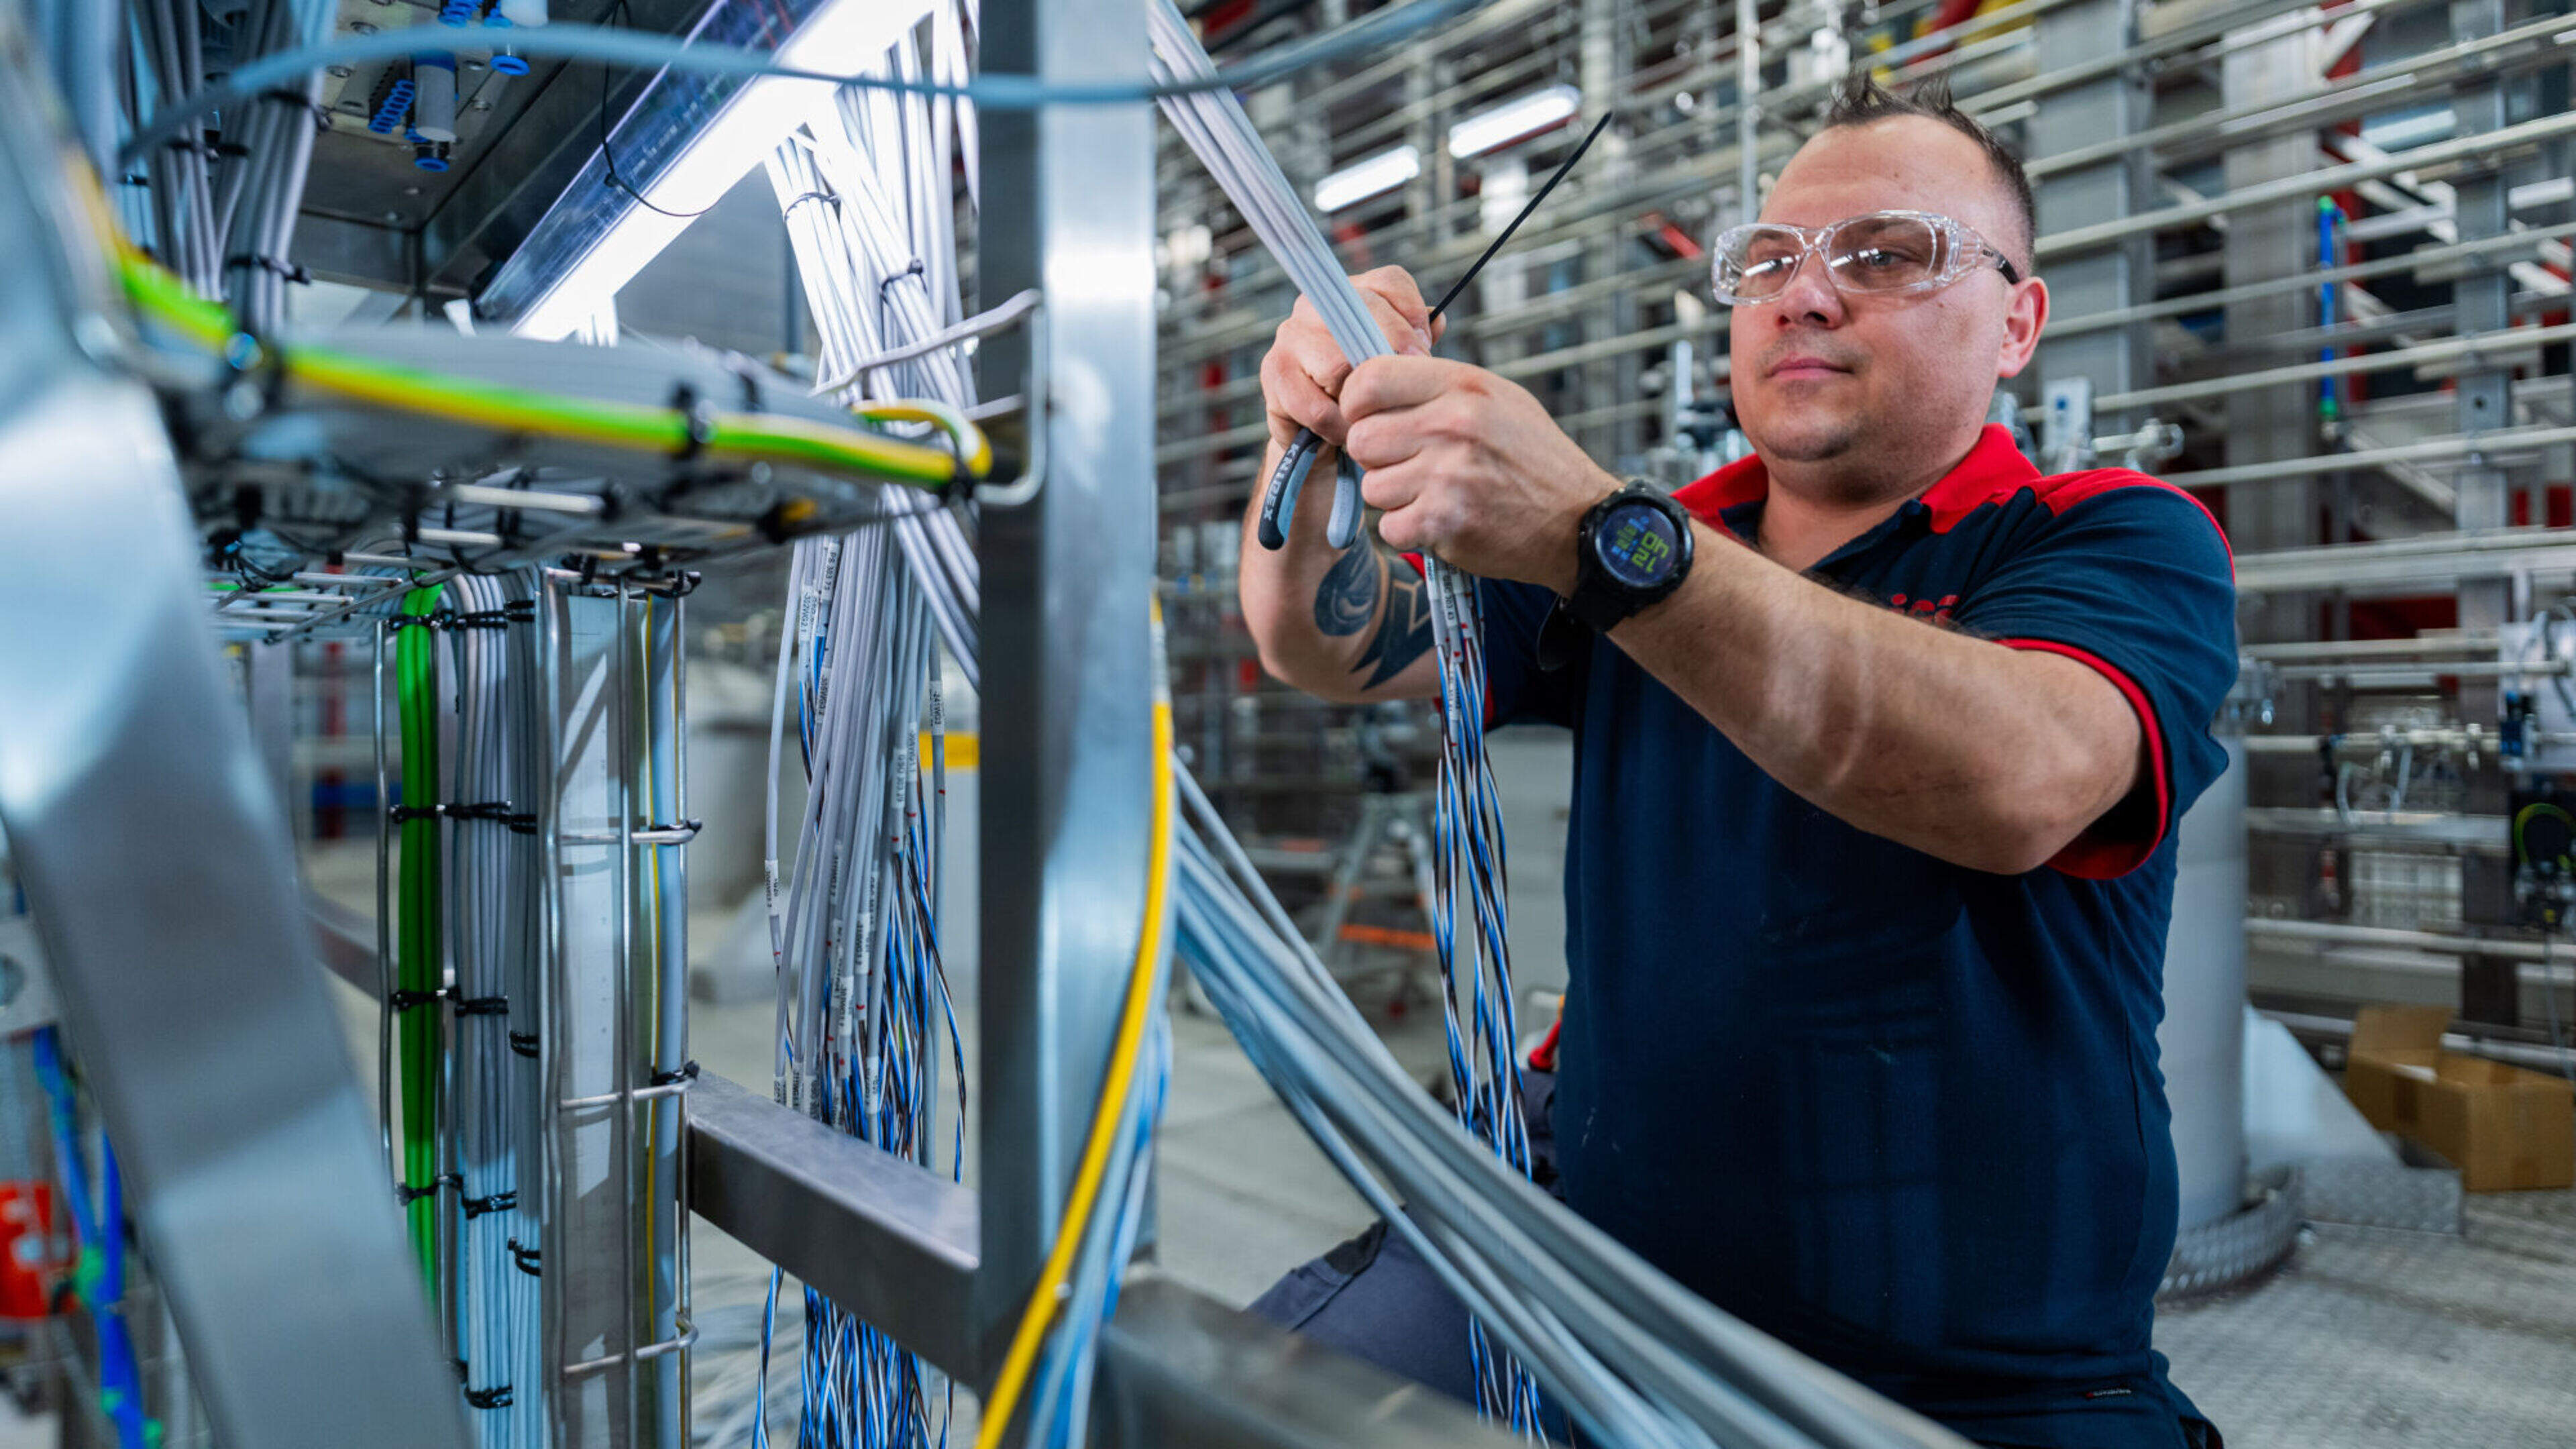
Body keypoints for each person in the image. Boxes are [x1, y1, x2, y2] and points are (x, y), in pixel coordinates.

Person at [1232, 72, 2237, 1449]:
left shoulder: (2109, 537)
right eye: (1768, 260)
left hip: (1978, 1376)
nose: (1805, 296)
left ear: (2019, 320)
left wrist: (1600, 539)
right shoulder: (1654, 537)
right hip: (1595, 1281)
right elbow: (1325, 644)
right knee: (1209, 1405)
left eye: (1885, 255)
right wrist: (1317, 443)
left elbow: (2022, 779)